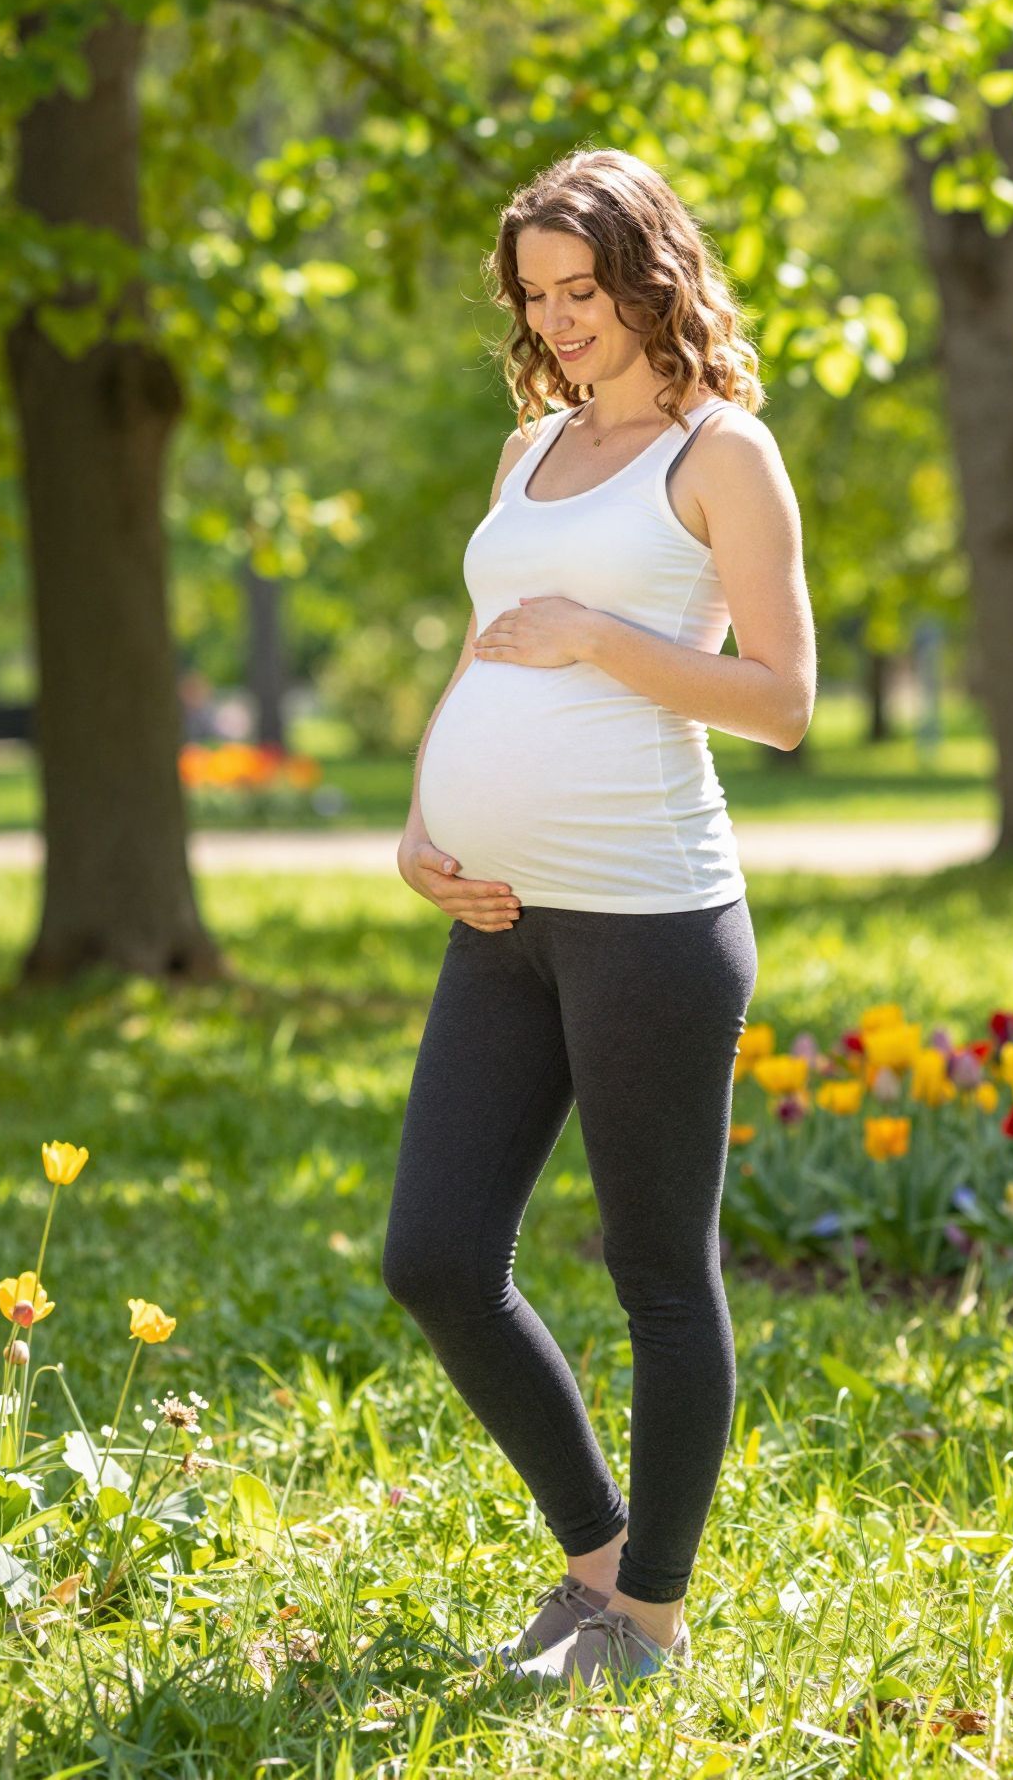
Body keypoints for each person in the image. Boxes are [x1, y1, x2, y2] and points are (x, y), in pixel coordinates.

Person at [384, 145, 817, 1697]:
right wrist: (425, 821)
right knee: (433, 1255)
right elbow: (486, 645)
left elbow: (781, 700)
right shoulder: (528, 449)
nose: (563, 320)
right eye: (538, 295)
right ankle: (590, 1560)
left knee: (655, 1269)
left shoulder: (721, 451)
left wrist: (604, 637)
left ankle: (649, 1616)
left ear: (651, 273)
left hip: (648, 914)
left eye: (587, 288)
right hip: (499, 915)